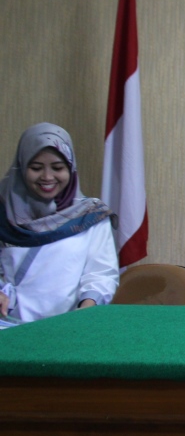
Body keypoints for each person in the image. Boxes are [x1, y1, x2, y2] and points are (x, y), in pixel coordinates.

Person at [0, 123, 119, 324]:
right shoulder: (4, 211)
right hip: (8, 324)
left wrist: (88, 306)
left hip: (68, 326)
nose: (47, 177)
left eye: (57, 168)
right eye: (36, 168)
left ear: (71, 169)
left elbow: (101, 274)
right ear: (21, 167)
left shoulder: (90, 215)